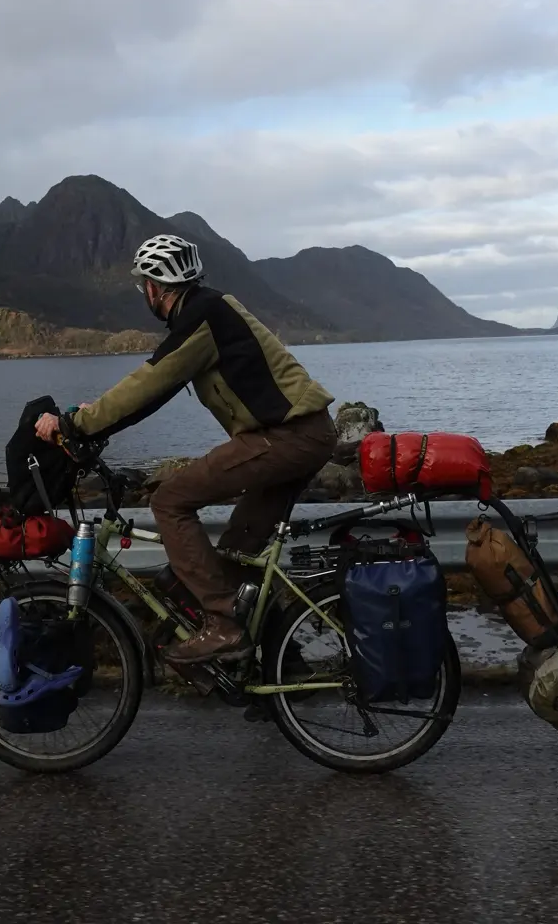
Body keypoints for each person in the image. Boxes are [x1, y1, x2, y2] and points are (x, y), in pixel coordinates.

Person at [36, 234, 335, 664]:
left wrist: (71, 425)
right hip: (305, 434)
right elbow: (154, 392)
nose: (145, 293)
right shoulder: (210, 310)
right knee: (238, 556)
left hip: (286, 438)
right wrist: (95, 418)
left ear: (154, 288)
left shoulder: (202, 317)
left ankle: (224, 626)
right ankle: (281, 669)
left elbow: (149, 383)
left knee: (170, 501)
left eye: (144, 286)